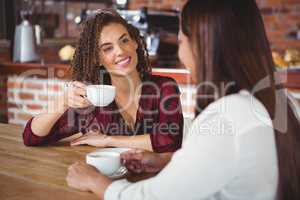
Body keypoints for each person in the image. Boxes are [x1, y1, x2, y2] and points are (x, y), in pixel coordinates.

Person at [66, 1, 300, 199]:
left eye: (181, 42)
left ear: (202, 46)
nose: (180, 53)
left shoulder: (226, 116)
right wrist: (169, 163)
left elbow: (150, 197)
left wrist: (95, 181)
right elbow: (230, 164)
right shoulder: (278, 101)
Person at [22, 10, 183, 153]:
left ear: (135, 42)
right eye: (107, 48)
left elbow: (169, 141)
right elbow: (32, 137)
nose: (120, 51)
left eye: (124, 40)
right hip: (106, 180)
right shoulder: (92, 100)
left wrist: (107, 140)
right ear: (98, 59)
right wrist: (62, 102)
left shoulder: (164, 87)